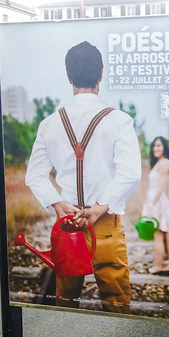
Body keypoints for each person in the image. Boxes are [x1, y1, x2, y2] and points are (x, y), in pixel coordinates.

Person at [25, 41, 141, 314]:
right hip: (105, 225)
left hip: (68, 226)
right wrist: (100, 207)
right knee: (117, 303)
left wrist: (57, 203)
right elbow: (130, 173)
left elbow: (35, 176)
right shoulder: (120, 120)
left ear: (69, 76)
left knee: (66, 303)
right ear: (101, 74)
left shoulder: (49, 124)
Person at [142, 136, 169, 275]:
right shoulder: (161, 163)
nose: (155, 148)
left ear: (164, 147)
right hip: (160, 201)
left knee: (158, 235)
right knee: (168, 234)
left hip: (158, 203)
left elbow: (161, 187)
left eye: (159, 145)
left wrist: (152, 203)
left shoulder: (163, 164)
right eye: (154, 146)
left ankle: (158, 266)